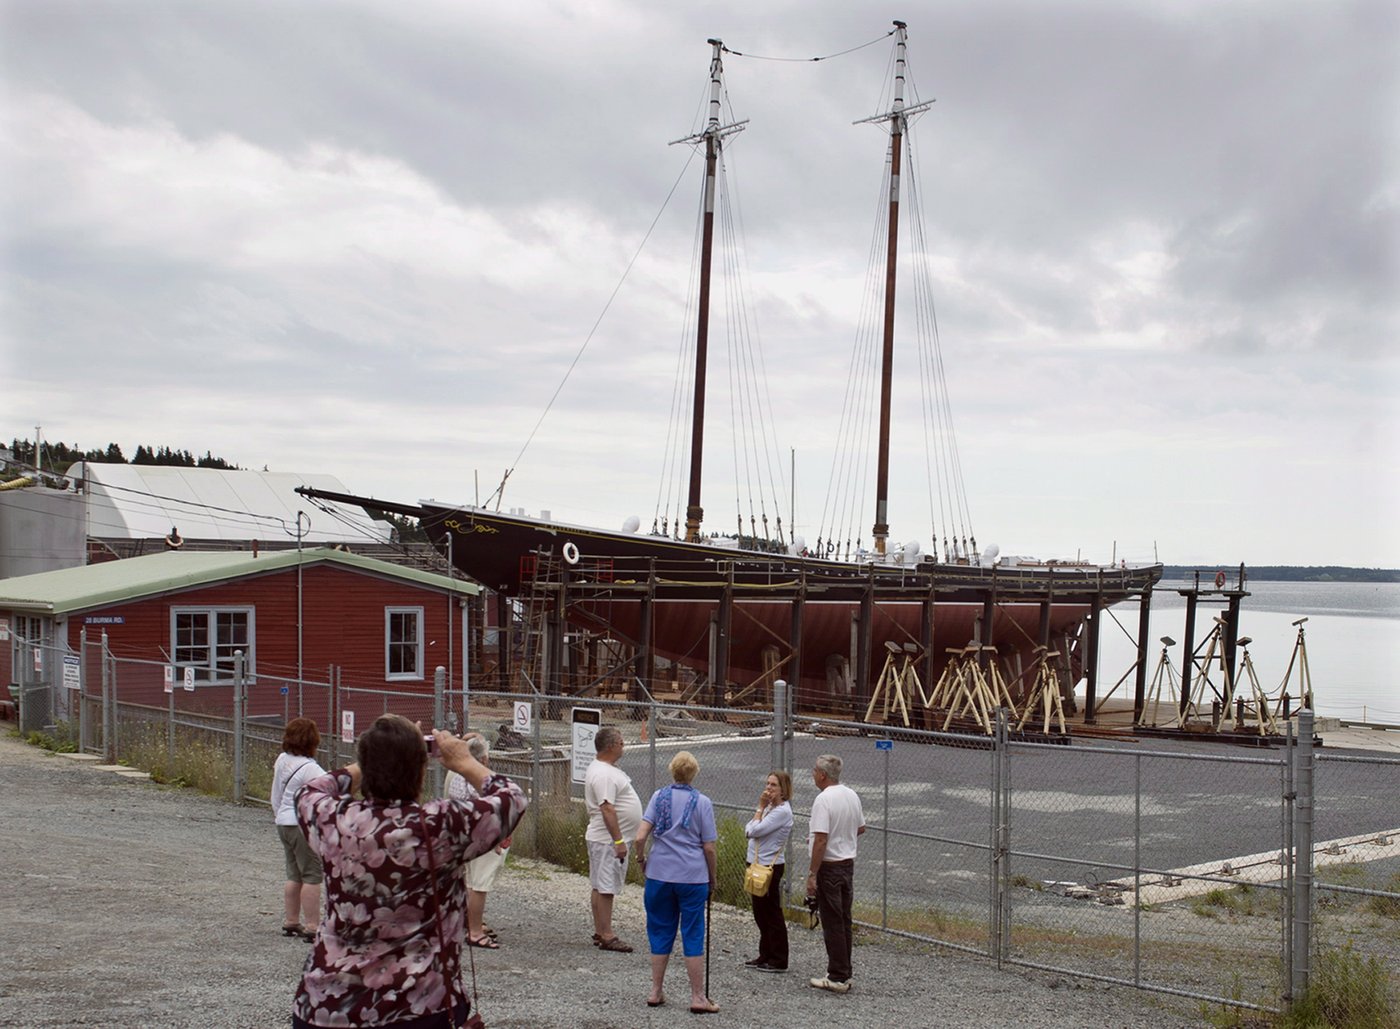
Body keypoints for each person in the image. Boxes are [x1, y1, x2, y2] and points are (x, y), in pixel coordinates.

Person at [292, 715, 527, 1028]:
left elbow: (309, 789)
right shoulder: (440, 824)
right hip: (419, 1007)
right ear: (420, 769)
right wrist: (463, 761)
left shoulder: (333, 818)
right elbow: (512, 798)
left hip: (326, 1006)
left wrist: (377, 757)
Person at [633, 751, 719, 1014]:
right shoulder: (702, 802)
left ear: (672, 771)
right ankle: (697, 996)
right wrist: (711, 877)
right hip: (692, 876)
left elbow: (639, 837)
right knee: (692, 932)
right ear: (694, 773)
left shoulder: (658, 797)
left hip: (660, 872)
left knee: (660, 930)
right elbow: (709, 848)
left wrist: (641, 860)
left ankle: (656, 990)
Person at [805, 753, 865, 995]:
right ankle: (844, 970)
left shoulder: (823, 800)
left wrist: (812, 873)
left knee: (832, 922)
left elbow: (821, 839)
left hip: (829, 866)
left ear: (822, 774)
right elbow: (861, 827)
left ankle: (837, 975)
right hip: (847, 863)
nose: (812, 774)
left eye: (814, 771)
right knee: (844, 920)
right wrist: (844, 837)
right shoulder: (851, 795)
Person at [444, 735, 511, 949]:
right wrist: (498, 839)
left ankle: (468, 921)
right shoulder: (481, 784)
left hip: (461, 835)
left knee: (468, 881)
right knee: (480, 885)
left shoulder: (453, 774)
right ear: (483, 760)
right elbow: (494, 811)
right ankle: (475, 930)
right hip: (482, 838)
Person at [583, 725, 643, 953]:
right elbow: (607, 807)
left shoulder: (606, 769)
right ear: (610, 746)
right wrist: (618, 841)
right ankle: (607, 934)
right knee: (606, 886)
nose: (623, 746)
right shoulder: (603, 774)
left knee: (600, 884)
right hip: (607, 840)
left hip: (604, 839)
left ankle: (601, 929)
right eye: (620, 742)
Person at [271, 717, 325, 941]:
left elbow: (276, 791)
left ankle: (291, 920)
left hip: (283, 821)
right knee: (312, 875)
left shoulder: (282, 759)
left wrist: (278, 814)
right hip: (301, 824)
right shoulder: (312, 769)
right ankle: (313, 926)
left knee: (293, 873)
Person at [743, 770, 794, 972]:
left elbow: (753, 830)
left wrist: (760, 808)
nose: (768, 789)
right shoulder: (769, 809)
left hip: (769, 866)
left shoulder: (782, 812)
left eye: (773, 785)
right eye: (768, 784)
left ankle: (779, 958)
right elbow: (749, 827)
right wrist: (761, 811)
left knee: (772, 912)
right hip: (755, 863)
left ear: (783, 789)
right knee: (760, 912)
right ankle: (765, 953)